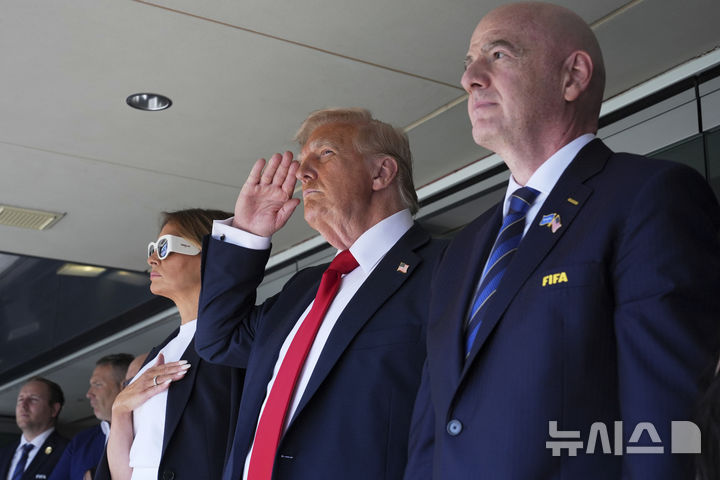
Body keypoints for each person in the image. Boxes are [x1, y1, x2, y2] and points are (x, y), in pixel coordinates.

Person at [404, 3, 720, 479]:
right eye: (469, 63)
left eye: (498, 55)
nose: (470, 78)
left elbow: (667, 422)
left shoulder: (650, 197)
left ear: (572, 77)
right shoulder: (461, 250)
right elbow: (433, 429)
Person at [195, 108, 446, 479]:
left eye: (325, 153)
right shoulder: (303, 289)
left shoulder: (448, 267)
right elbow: (218, 340)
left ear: (381, 173)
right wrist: (247, 232)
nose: (302, 172)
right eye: (302, 161)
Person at [95, 209, 244, 480]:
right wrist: (120, 409)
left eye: (164, 247)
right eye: (153, 248)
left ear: (209, 254)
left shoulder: (239, 340)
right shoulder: (157, 355)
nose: (152, 259)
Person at [48, 354, 133, 480]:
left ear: (124, 386)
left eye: (97, 384)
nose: (89, 394)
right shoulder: (80, 441)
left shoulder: (146, 431)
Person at [0, 378, 69, 480]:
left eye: (33, 399)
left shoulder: (68, 451)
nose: (23, 405)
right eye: (20, 400)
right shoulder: (3, 454)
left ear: (54, 409)